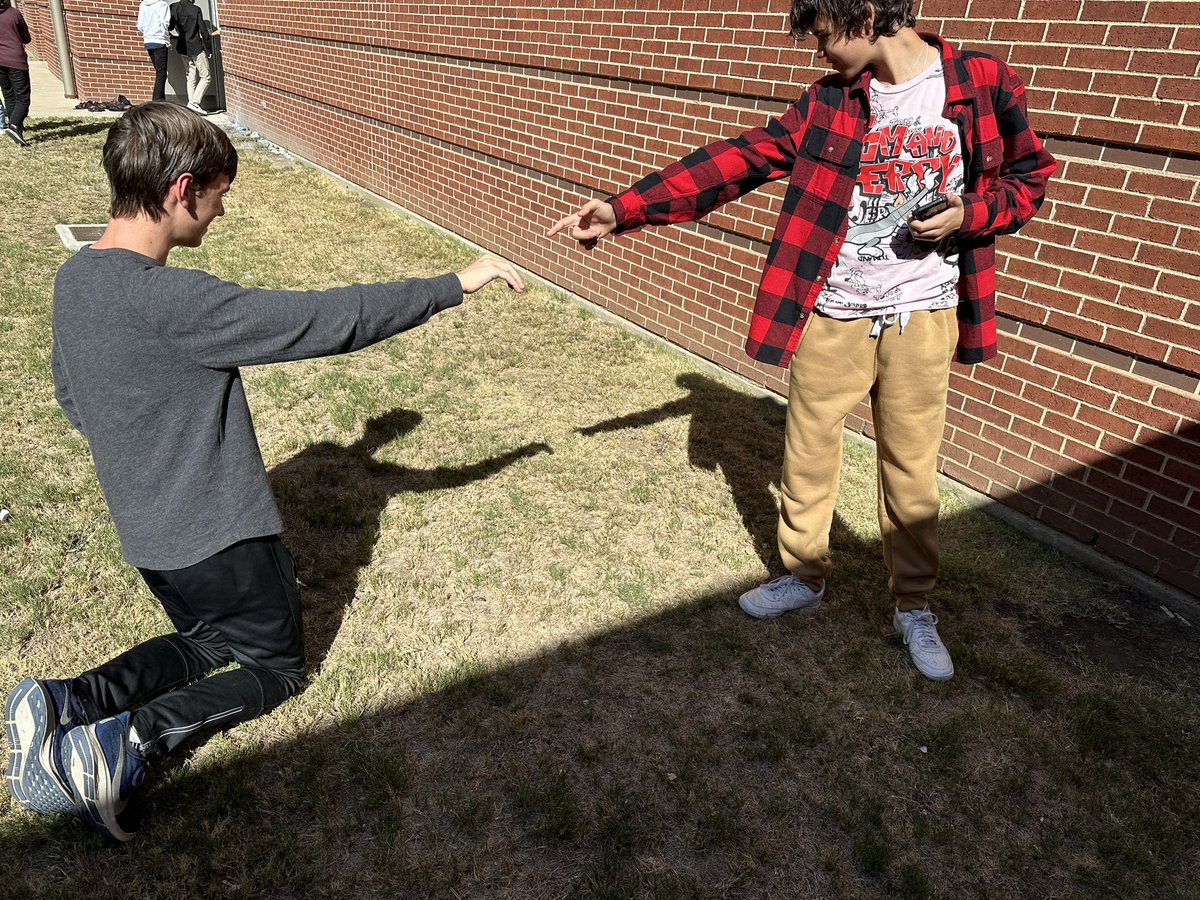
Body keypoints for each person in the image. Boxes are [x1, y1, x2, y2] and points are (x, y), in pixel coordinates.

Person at [3, 102, 524, 841]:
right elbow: (325, 320)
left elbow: (70, 394)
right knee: (275, 670)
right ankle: (120, 743)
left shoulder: (73, 279)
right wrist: (453, 284)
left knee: (212, 641)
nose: (219, 212)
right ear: (183, 189)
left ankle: (64, 702)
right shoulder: (175, 299)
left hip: (147, 538)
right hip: (222, 538)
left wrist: (142, 446)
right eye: (219, 195)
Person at [549, 0, 1055, 682]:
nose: (817, 51)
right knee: (807, 450)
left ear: (866, 14)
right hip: (834, 310)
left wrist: (971, 214)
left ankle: (913, 608)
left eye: (821, 35)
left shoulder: (980, 82)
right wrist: (624, 208)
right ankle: (803, 577)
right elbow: (736, 161)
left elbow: (1029, 179)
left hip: (923, 312)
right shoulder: (827, 104)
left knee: (911, 468)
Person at [169, 0, 215, 114]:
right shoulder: (195, 9)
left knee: (190, 76)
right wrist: (208, 48)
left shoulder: (173, 7)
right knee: (206, 77)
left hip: (182, 47)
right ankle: (194, 102)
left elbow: (170, 26)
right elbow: (203, 30)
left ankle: (191, 105)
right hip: (196, 47)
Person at [0, 0, 32, 147]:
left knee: (8, 94)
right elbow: (27, 38)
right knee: (23, 97)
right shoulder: (13, 13)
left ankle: (17, 126)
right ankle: (14, 126)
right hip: (16, 61)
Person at [137, 0, 171, 102]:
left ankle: (159, 100)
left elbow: (140, 26)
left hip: (148, 41)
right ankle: (158, 100)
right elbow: (164, 23)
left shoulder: (143, 4)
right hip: (159, 41)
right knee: (161, 73)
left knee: (159, 71)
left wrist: (148, 33)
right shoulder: (162, 4)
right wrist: (166, 39)